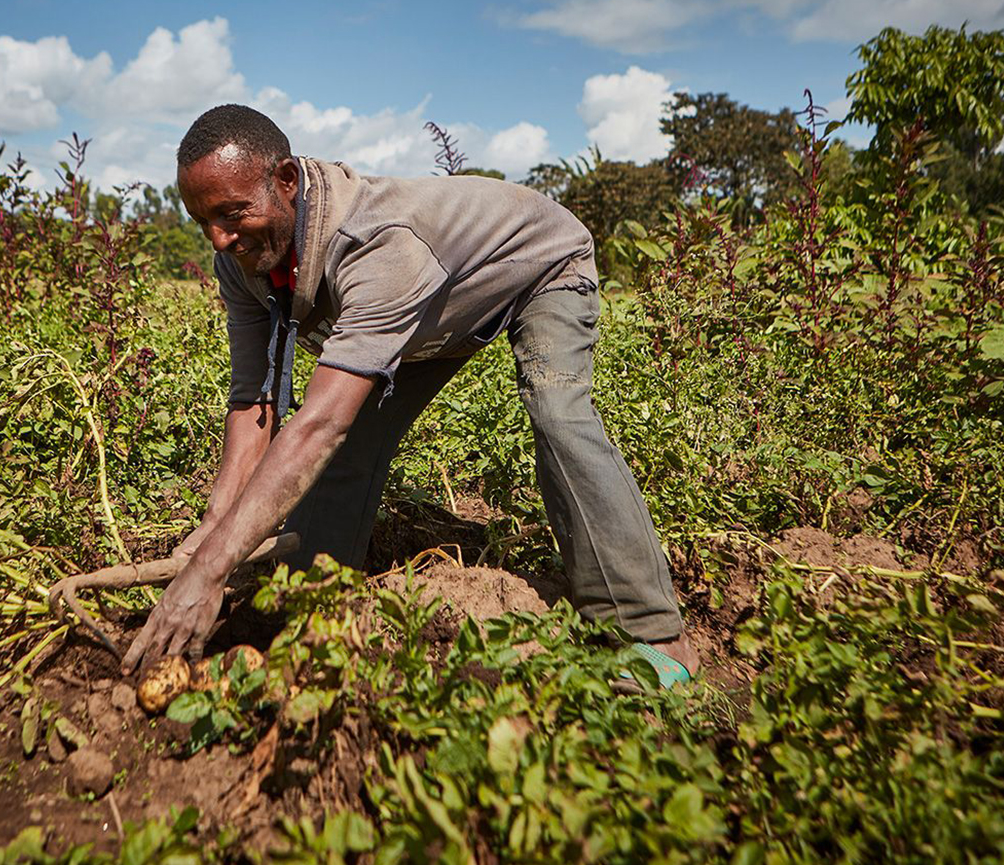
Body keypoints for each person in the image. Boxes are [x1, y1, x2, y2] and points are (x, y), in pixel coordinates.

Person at [121, 104, 697, 686]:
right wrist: (213, 536)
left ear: (287, 181)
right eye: (202, 221)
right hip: (434, 307)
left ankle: (650, 632)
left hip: (538, 267)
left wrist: (213, 569)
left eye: (232, 212)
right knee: (346, 452)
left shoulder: (380, 247)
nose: (219, 238)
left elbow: (320, 423)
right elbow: (255, 397)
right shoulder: (242, 259)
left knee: (558, 413)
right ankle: (305, 611)